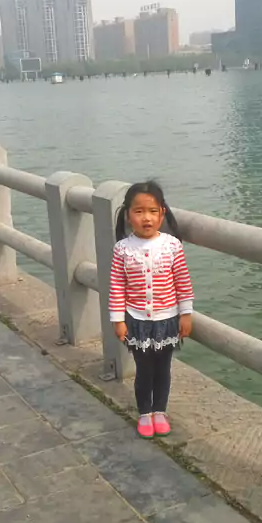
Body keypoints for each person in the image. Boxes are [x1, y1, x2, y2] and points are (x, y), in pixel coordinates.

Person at [109, 181, 194, 438]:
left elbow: (182, 282)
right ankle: (145, 412)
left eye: (152, 211)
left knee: (163, 369)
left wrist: (186, 314)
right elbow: (117, 286)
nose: (146, 218)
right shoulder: (122, 249)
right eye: (139, 211)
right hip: (137, 321)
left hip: (167, 320)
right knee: (144, 370)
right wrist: (118, 320)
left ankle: (160, 411)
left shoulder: (172, 245)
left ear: (162, 214)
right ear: (128, 215)